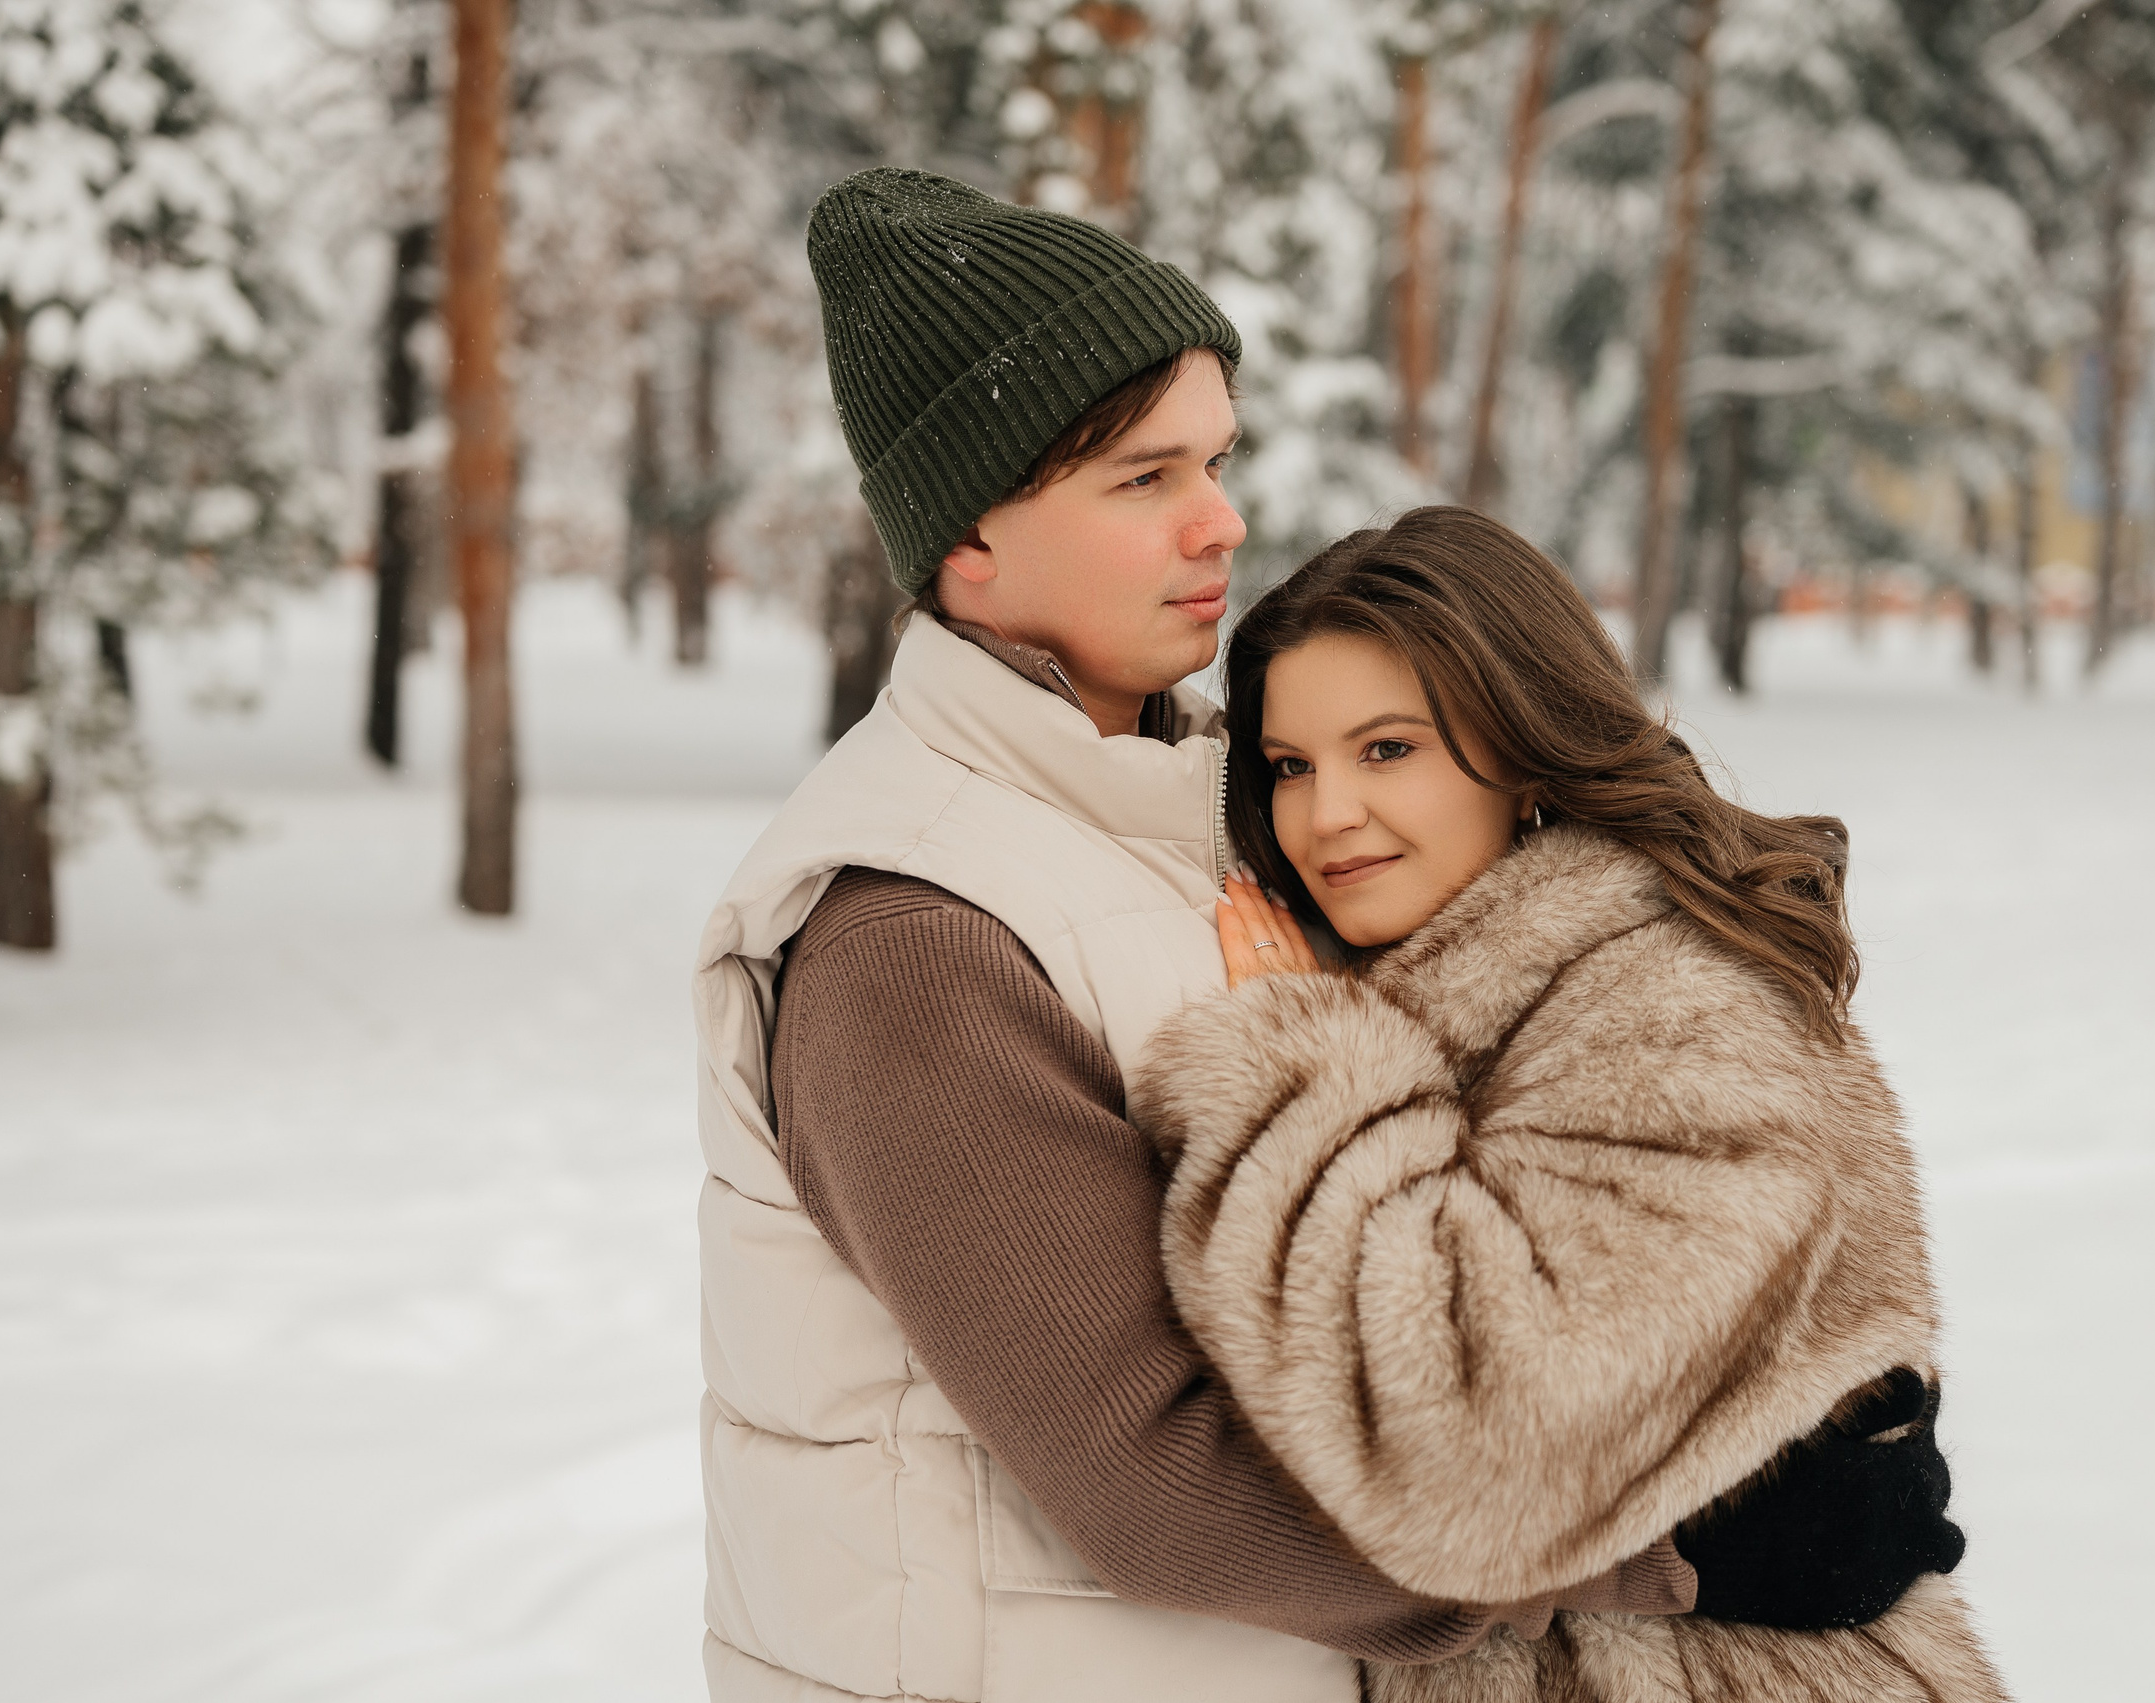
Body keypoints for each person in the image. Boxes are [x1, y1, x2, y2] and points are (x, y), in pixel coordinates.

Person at [694, 170, 1964, 1703]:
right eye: (1144, 477)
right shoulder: (917, 929)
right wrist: (1690, 1549)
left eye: (1218, 459)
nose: (1219, 519)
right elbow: (1160, 1473)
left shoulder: (1204, 816)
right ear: (968, 534)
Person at [1126, 505, 1995, 1702]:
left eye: (1388, 749)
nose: (1325, 813)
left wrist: (1303, 1076)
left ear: (1527, 745)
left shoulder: (1668, 1003)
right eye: (1290, 765)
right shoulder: (1440, 987)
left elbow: (1476, 1457)